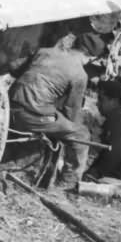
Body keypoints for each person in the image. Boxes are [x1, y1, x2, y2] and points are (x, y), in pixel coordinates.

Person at [9, 32, 106, 188]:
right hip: (31, 115)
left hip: (8, 104)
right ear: (91, 57)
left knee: (53, 115)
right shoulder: (80, 74)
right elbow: (71, 114)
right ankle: (68, 183)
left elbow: (14, 68)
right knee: (80, 134)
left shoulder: (44, 51)